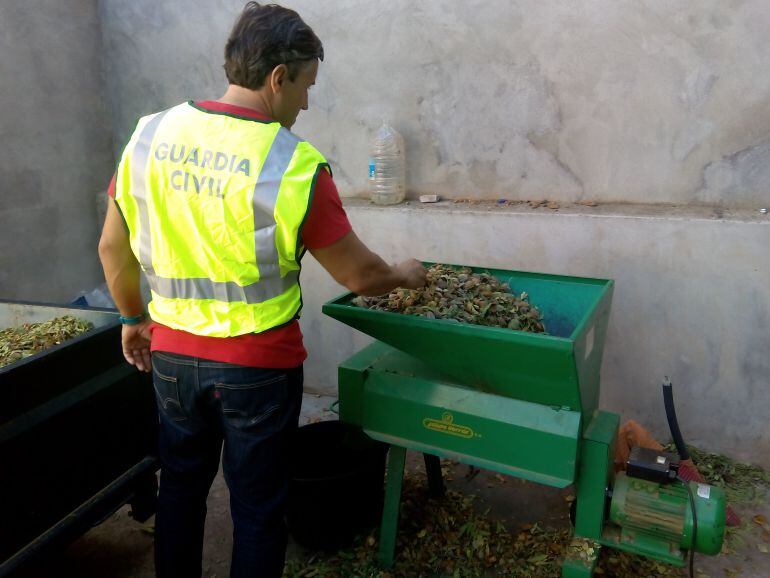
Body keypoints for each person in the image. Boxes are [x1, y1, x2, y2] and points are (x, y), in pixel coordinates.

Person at [97, 3, 426, 577]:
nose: (305, 103)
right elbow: (359, 276)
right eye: (305, 87)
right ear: (279, 77)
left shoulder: (150, 136)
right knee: (256, 511)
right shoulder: (293, 165)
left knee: (180, 491)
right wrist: (404, 272)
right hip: (258, 370)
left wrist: (132, 318)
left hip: (172, 357)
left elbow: (110, 248)